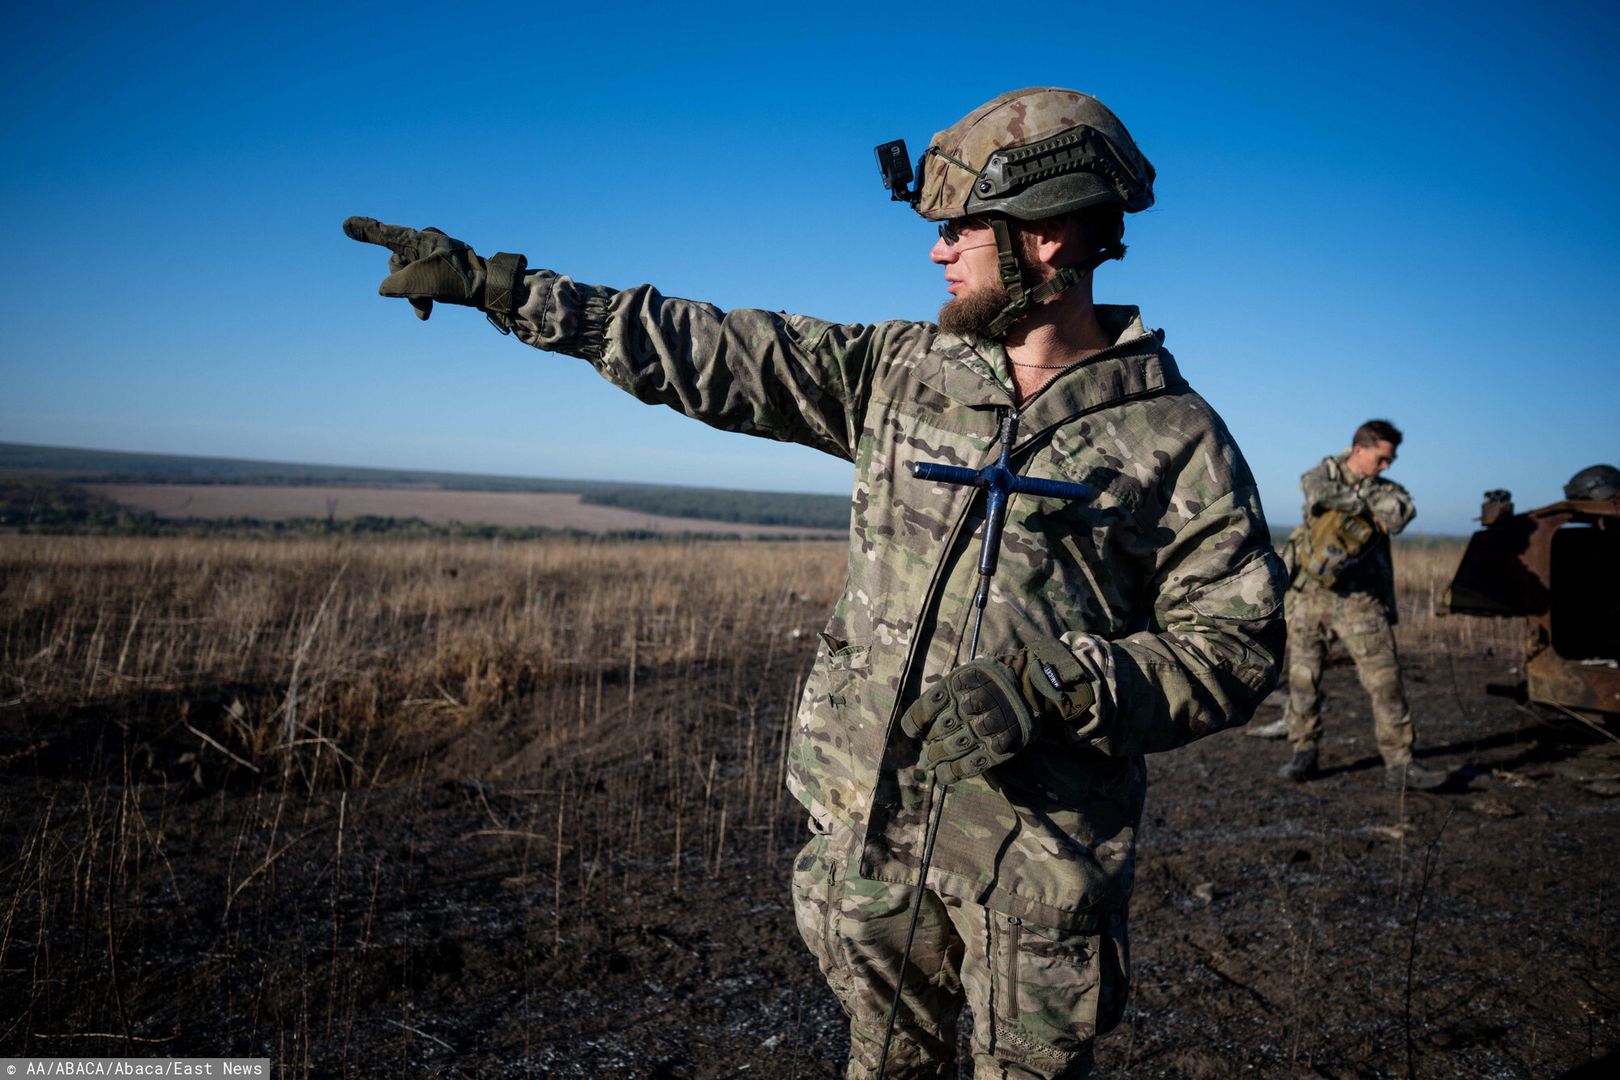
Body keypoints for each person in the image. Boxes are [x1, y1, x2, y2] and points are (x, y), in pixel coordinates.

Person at [345, 87, 1287, 1078]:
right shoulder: (899, 371)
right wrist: (507, 291)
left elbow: (1233, 644)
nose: (938, 252)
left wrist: (1057, 686)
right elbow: (697, 346)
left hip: (1039, 861)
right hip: (867, 835)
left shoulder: (1174, 439)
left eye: (961, 227)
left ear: (1049, 235)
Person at [1251, 420, 1448, 791]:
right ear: (1359, 449)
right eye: (1382, 458)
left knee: (1385, 681)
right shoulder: (1322, 473)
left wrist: (1354, 502)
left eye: (1390, 461)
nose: (1387, 467)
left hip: (1361, 600)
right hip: (1309, 596)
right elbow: (1315, 491)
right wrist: (1364, 506)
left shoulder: (1387, 488)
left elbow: (1400, 514)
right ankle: (1303, 752)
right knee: (1303, 680)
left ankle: (1401, 764)